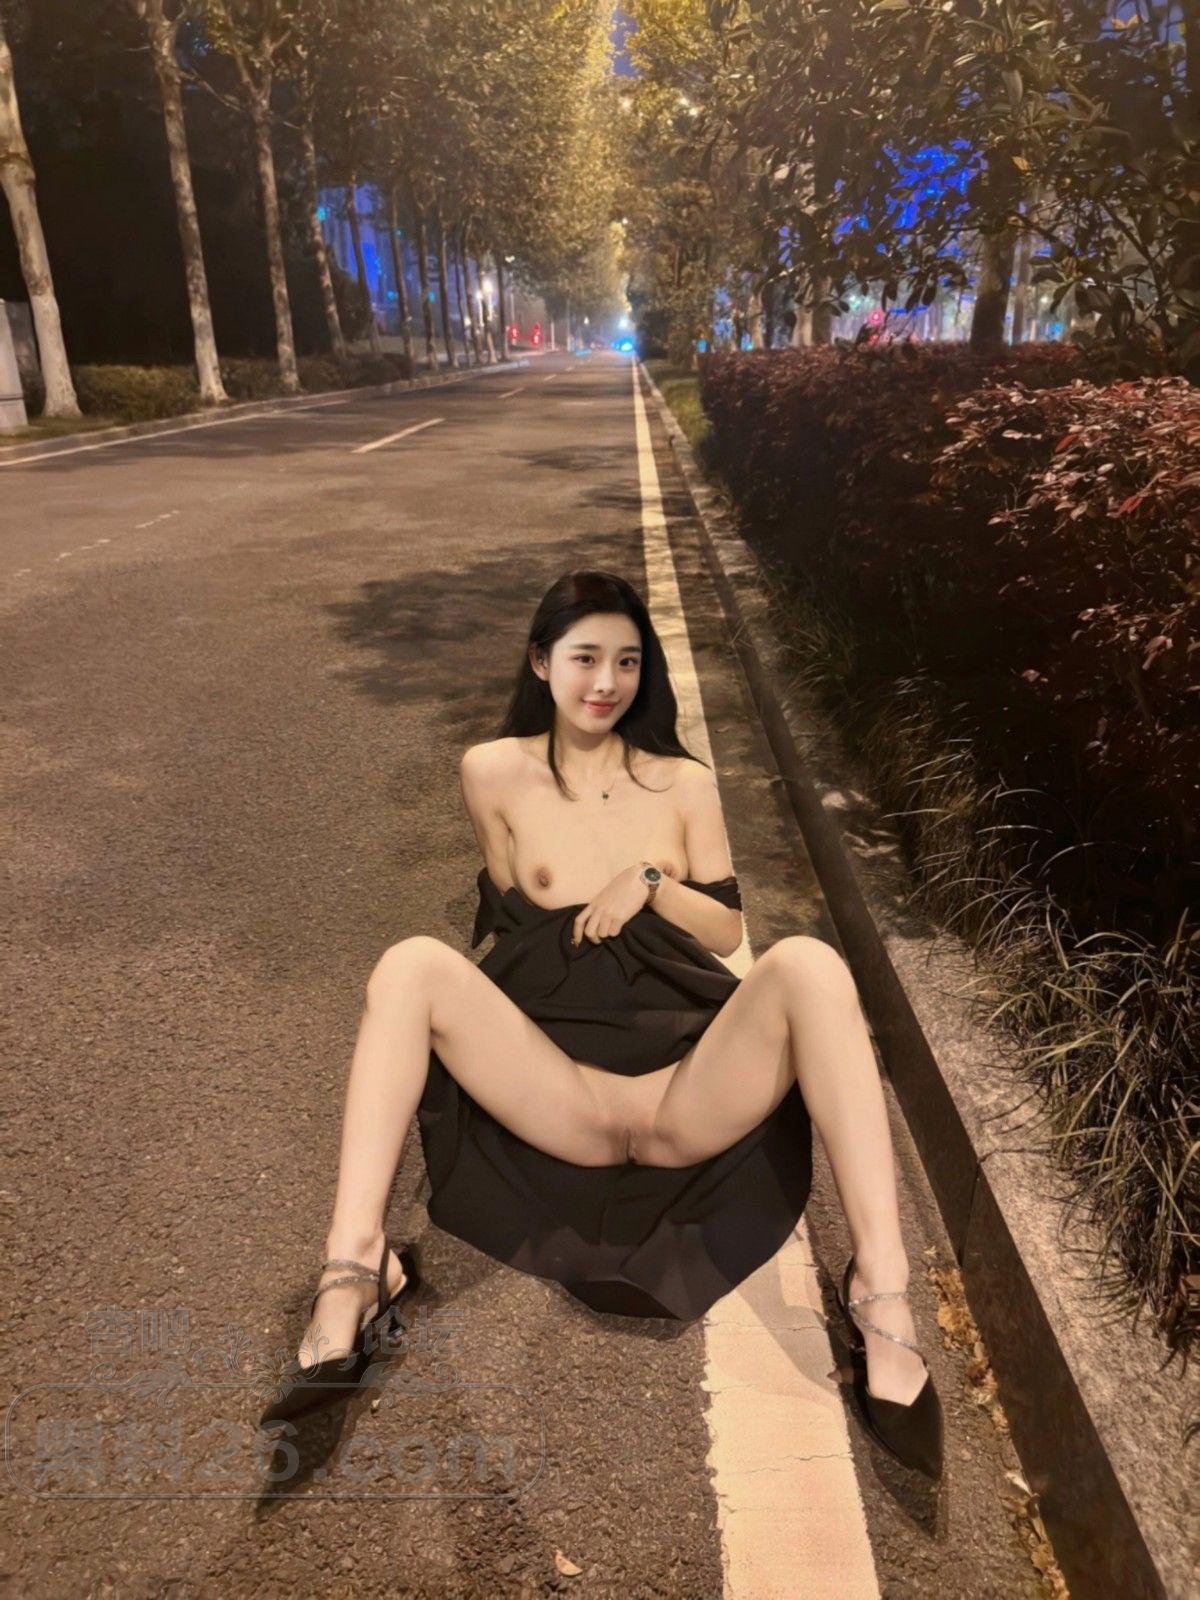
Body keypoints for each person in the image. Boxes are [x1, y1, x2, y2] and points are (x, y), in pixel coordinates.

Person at [259, 569, 942, 1479]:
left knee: (812, 965)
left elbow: (728, 931)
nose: (606, 682)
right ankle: (354, 1269)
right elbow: (510, 929)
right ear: (542, 662)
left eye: (627, 661)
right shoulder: (490, 772)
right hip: (565, 1095)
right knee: (410, 963)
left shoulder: (684, 783)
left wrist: (649, 883)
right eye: (585, 658)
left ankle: (882, 1292)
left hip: (683, 1094)